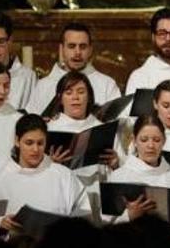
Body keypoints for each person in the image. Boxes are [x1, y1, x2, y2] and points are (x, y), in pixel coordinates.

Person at [0, 114, 90, 239]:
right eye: (29, 143)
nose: (35, 149)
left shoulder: (64, 176)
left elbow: (84, 211)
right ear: (17, 141)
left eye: (40, 143)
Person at [106, 114, 170, 248]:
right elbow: (107, 228)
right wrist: (129, 216)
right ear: (134, 140)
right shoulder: (119, 176)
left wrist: (164, 225)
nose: (150, 145)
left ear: (164, 141)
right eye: (144, 139)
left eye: (156, 140)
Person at [46, 72, 122, 213]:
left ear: (89, 97)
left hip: (96, 198)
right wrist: (52, 166)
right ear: (60, 98)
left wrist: (115, 164)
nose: (75, 97)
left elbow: (120, 170)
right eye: (69, 93)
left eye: (81, 92)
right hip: (61, 198)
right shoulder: (49, 129)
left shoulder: (102, 128)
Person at [25, 22, 122, 115]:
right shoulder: (43, 86)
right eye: (71, 46)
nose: (77, 52)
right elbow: (31, 125)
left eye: (83, 47)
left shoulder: (107, 85)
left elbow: (119, 124)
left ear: (90, 50)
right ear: (62, 49)